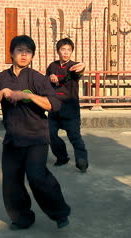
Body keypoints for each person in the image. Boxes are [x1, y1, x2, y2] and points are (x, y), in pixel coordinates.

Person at [0, 35, 71, 230]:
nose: (24, 55)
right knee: (11, 180)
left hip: (36, 137)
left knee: (37, 176)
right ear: (11, 53)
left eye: (28, 52)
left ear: (32, 56)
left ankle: (59, 212)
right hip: (13, 138)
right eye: (20, 51)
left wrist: (27, 96)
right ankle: (22, 218)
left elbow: (54, 105)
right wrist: (2, 92)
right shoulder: (2, 78)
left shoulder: (37, 78)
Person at [46, 38, 88, 173]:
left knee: (75, 137)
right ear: (58, 51)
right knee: (50, 135)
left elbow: (80, 70)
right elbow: (46, 80)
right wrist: (50, 76)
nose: (66, 52)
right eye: (63, 49)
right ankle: (62, 157)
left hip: (70, 108)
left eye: (69, 50)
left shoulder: (73, 66)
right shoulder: (52, 66)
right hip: (54, 108)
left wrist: (82, 66)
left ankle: (82, 161)